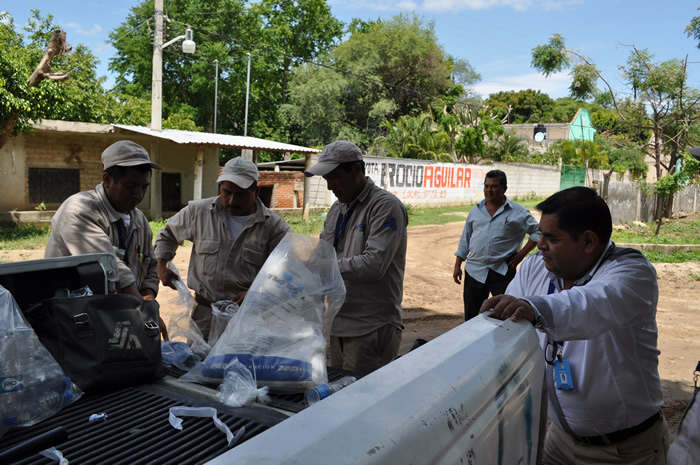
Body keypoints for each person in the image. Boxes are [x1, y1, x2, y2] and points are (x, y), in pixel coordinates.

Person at [482, 186, 669, 464]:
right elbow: (509, 327)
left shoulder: (632, 273)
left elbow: (590, 305)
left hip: (626, 452)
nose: (539, 243)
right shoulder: (536, 268)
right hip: (559, 442)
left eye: (551, 238)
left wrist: (535, 307)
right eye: (540, 234)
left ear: (588, 242)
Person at [154, 157, 291, 340]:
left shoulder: (274, 227)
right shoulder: (198, 212)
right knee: (197, 364)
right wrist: (162, 266)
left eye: (241, 194)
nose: (231, 200)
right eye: (226, 192)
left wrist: (256, 291)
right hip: (204, 316)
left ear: (256, 191)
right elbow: (167, 235)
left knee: (241, 367)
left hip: (248, 318)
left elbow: (286, 273)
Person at [45, 140, 168, 339]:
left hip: (118, 324)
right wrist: (144, 312)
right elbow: (110, 266)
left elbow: (150, 266)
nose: (138, 195)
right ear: (107, 180)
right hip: (75, 326)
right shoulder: (79, 210)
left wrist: (147, 298)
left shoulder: (140, 220)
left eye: (144, 187)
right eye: (130, 186)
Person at [304, 140, 408, 375]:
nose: (330, 186)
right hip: (339, 322)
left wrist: (324, 266)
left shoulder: (385, 207)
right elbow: (323, 252)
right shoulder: (337, 209)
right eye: (326, 179)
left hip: (371, 326)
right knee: (340, 392)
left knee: (363, 399)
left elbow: (374, 264)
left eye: (334, 177)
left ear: (355, 170)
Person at [453, 169, 541, 321]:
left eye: (493, 186)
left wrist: (520, 255)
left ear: (504, 189)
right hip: (475, 270)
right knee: (472, 316)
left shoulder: (517, 212)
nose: (489, 190)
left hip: (502, 271)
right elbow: (465, 238)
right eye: (486, 186)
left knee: (506, 315)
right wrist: (457, 264)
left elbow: (538, 231)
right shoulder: (476, 210)